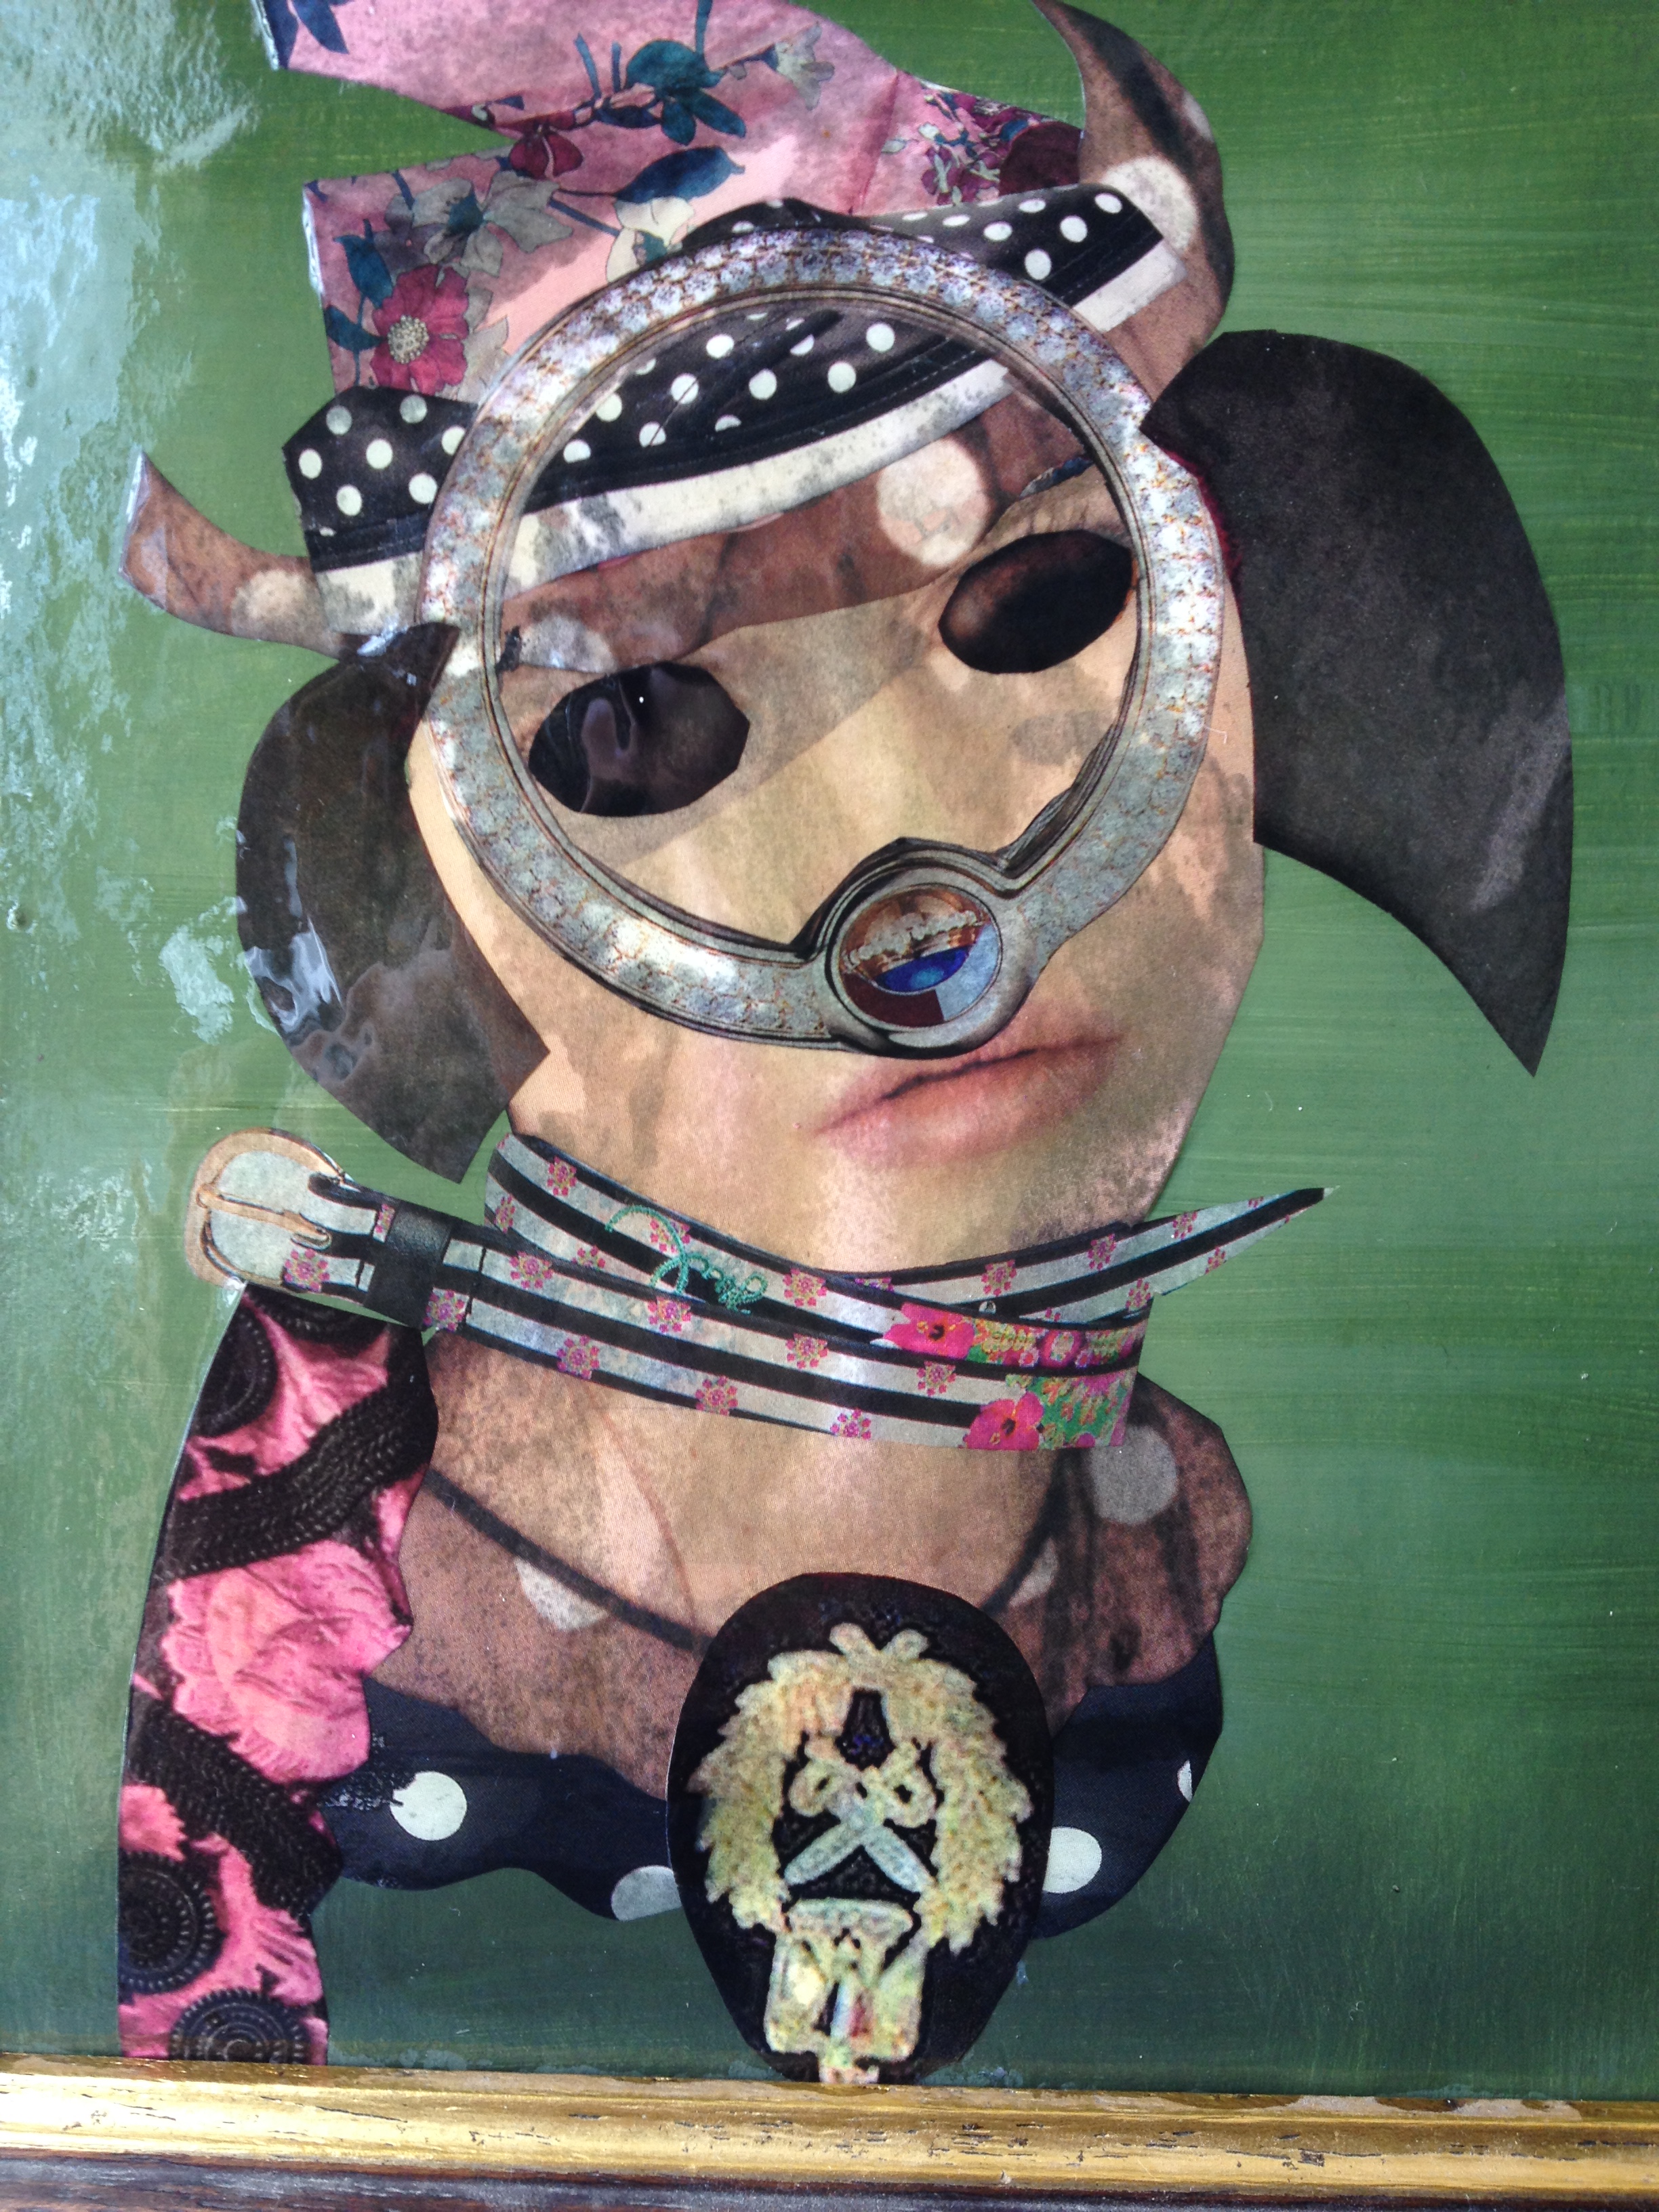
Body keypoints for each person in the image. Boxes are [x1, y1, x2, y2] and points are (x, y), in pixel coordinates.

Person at [114, 0, 1570, 2077]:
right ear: (448, 879)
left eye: (1044, 609)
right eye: (636, 729)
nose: (920, 889)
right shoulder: (327, 1517)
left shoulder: (1154, 1533)